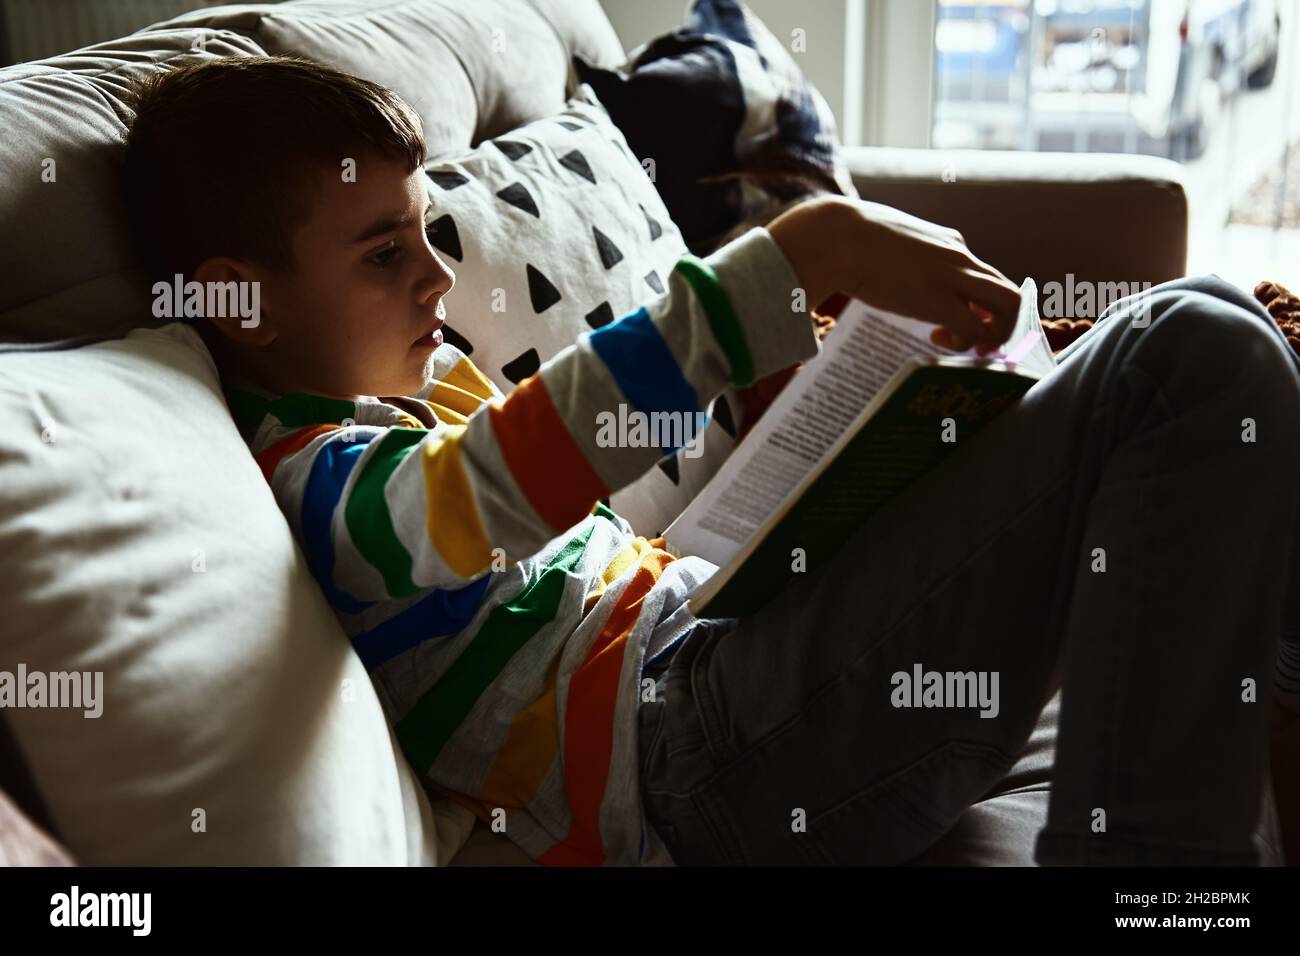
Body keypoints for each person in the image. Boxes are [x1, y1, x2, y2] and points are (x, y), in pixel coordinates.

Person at [122, 54, 1300, 866]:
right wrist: (778, 267)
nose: (436, 272)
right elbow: (492, 488)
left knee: (1193, 364)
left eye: (429, 228)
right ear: (238, 301)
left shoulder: (407, 399)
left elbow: (602, 535)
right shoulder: (319, 486)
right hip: (707, 759)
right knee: (1189, 345)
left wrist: (829, 405)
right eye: (385, 252)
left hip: (727, 663)